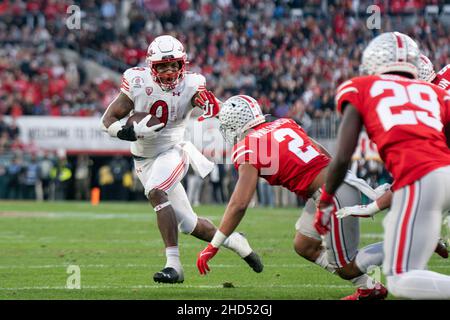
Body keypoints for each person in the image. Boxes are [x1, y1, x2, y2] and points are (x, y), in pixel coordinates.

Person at [101, 35, 263, 284]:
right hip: (143, 159)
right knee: (189, 224)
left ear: (182, 64)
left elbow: (203, 100)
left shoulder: (192, 84)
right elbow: (108, 120)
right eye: (162, 66)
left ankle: (173, 266)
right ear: (151, 67)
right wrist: (126, 132)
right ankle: (236, 242)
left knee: (156, 191)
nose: (169, 71)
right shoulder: (136, 80)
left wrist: (215, 107)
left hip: (173, 151)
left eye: (174, 65)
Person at [196, 94, 389, 300]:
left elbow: (240, 203)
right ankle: (369, 288)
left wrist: (213, 245)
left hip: (332, 193)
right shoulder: (284, 123)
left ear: (235, 124)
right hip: (333, 186)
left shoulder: (247, 146)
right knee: (304, 245)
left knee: (346, 267)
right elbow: (320, 150)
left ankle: (412, 241)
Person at [314, 32, 450, 299]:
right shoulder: (436, 92)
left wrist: (327, 199)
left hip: (421, 179)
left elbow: (342, 156)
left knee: (401, 279)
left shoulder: (360, 87)